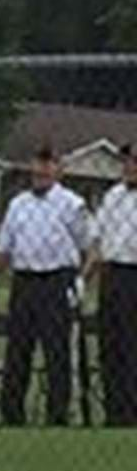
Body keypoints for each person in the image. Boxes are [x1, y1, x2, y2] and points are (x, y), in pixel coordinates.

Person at [0, 145, 91, 426]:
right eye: (38, 164)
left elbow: (88, 247)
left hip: (57, 280)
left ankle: (57, 415)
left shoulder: (72, 204)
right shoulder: (17, 204)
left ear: (58, 169)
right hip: (24, 281)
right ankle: (11, 415)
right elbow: (4, 249)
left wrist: (81, 279)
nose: (42, 171)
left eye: (49, 165)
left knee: (56, 350)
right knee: (17, 350)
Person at [94, 142, 137, 425]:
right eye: (128, 160)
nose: (130, 166)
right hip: (112, 274)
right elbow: (99, 238)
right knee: (112, 344)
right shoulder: (113, 196)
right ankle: (115, 412)